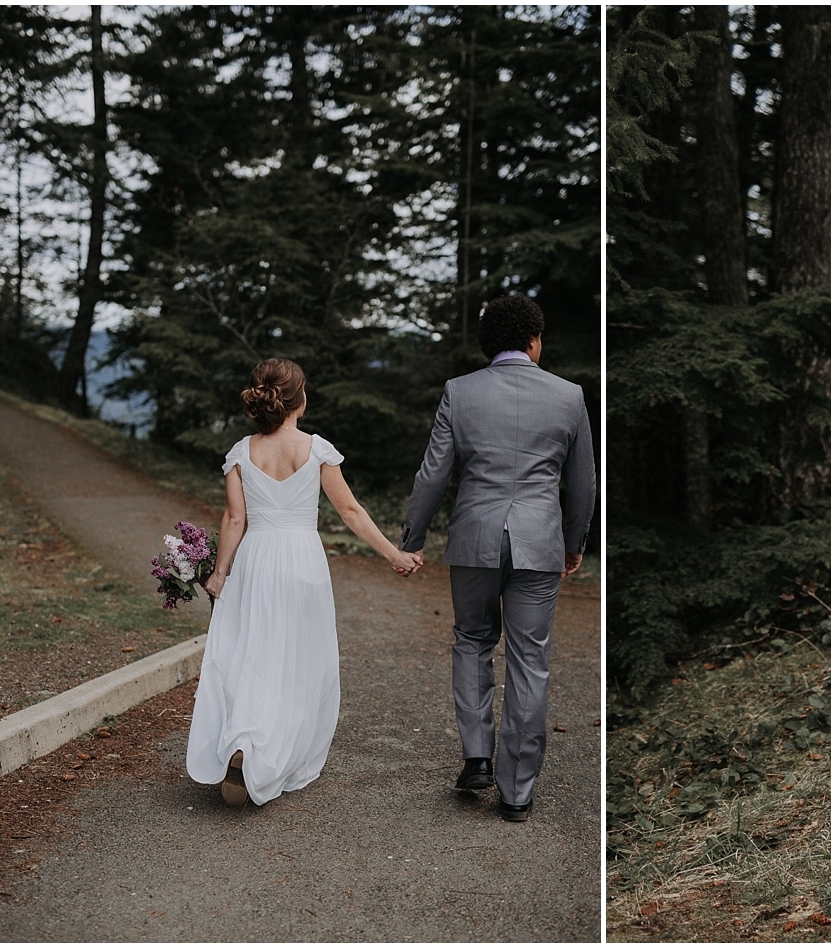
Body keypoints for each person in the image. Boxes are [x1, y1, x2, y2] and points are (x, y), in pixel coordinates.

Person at [187, 358, 423, 807]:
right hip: (301, 560)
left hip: (255, 559)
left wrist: (219, 574)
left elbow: (235, 519)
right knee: (297, 659)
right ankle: (268, 753)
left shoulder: (241, 452)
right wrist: (395, 555)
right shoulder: (316, 449)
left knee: (252, 652)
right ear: (299, 401)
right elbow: (350, 512)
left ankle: (243, 740)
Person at [402, 295, 596, 822]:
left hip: (474, 539)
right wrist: (574, 542)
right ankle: (516, 792)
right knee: (530, 660)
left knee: (471, 640)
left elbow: (433, 474)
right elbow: (582, 481)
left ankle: (477, 757)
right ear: (534, 341)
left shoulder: (460, 392)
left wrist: (412, 537)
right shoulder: (568, 395)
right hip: (539, 541)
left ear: (489, 344)